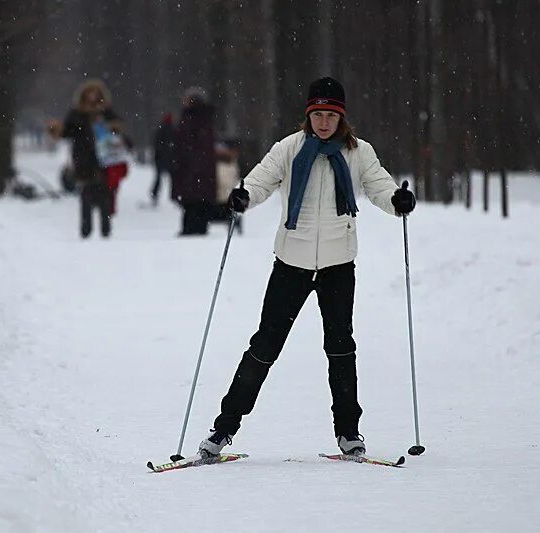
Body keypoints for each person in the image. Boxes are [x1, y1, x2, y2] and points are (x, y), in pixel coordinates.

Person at [197, 77, 416, 458]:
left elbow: (380, 186)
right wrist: (243, 196)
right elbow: (260, 181)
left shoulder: (358, 152)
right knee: (264, 346)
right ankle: (222, 429)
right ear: (308, 115)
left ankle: (349, 433)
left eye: (331, 115)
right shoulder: (290, 148)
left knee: (340, 348)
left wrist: (397, 200)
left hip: (337, 265)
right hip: (291, 264)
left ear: (342, 117)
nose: (324, 122)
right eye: (318, 114)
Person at [47, 79, 123, 238]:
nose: (92, 96)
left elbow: (118, 130)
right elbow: (67, 132)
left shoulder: (106, 113)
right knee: (86, 196)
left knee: (105, 196)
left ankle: (106, 230)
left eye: (95, 92)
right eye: (90, 92)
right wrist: (57, 130)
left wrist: (114, 129)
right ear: (84, 95)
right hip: (83, 159)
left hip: (105, 160)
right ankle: (86, 230)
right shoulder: (76, 114)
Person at [171, 87, 216, 236]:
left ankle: (192, 229)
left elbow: (185, 144)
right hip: (201, 170)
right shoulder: (206, 118)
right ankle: (198, 228)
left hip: (191, 170)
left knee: (192, 203)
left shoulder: (190, 119)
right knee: (199, 201)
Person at [151, 113, 176, 206]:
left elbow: (157, 144)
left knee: (158, 178)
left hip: (160, 159)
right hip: (169, 159)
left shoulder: (160, 130)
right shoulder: (173, 130)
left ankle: (154, 195)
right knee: (173, 179)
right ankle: (175, 195)